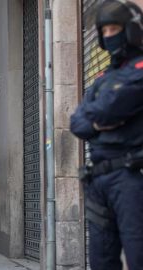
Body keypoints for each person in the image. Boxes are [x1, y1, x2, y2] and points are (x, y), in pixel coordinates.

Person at [70, 1, 143, 269]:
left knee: (138, 257)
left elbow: (109, 107)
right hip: (97, 179)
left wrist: (96, 119)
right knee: (101, 260)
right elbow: (78, 122)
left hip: (129, 177)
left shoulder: (139, 69)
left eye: (115, 28)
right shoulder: (103, 77)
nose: (109, 35)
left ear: (131, 30)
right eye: (105, 30)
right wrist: (98, 120)